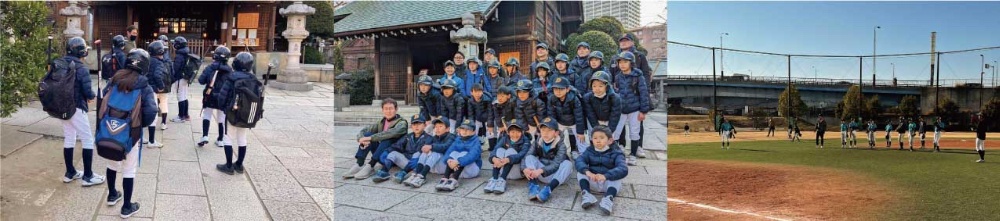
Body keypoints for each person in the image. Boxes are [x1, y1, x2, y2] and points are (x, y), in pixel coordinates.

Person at [102, 48, 158, 218]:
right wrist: (140, 125)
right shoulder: (145, 86)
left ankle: (112, 194)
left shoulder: (115, 79)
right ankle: (127, 206)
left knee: (112, 163)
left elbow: (103, 98)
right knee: (129, 169)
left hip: (109, 129)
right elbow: (150, 112)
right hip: (131, 132)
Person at [52, 37, 105, 186]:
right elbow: (87, 90)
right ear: (81, 51)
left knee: (69, 137)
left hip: (61, 106)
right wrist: (91, 96)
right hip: (76, 107)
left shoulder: (59, 64)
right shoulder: (81, 68)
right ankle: (88, 176)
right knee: (87, 139)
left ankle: (70, 172)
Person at [214, 52, 258, 175]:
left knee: (228, 138)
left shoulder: (232, 78)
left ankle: (228, 165)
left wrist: (224, 108)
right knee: (242, 138)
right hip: (247, 114)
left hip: (233, 113)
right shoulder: (254, 80)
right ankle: (239, 164)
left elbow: (223, 96)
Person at [344, 98, 408, 180]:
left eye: (391, 108)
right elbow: (364, 130)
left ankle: (371, 165)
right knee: (367, 134)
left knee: (386, 138)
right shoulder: (381, 122)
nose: (388, 111)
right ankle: (359, 163)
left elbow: (390, 133)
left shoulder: (402, 123)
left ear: (396, 109)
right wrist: (361, 138)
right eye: (386, 109)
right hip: (381, 153)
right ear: (382, 110)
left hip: (394, 156)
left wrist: (370, 138)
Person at [576, 126, 628, 216]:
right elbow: (579, 160)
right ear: (591, 140)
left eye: (602, 138)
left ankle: (608, 198)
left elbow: (623, 168)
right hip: (594, 181)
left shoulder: (616, 152)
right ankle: (587, 194)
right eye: (595, 138)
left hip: (608, 183)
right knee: (581, 171)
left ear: (610, 140)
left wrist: (606, 176)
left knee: (617, 175)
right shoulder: (589, 151)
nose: (598, 141)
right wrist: (587, 172)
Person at [523, 117, 573, 203]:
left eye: (549, 130)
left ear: (556, 133)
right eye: (543, 130)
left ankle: (548, 189)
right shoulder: (537, 142)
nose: (545, 133)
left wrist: (541, 170)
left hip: (557, 177)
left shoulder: (561, 145)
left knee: (568, 164)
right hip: (540, 174)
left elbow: (556, 164)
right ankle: (533, 185)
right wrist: (524, 168)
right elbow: (527, 155)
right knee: (529, 157)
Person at [612, 51, 651, 162]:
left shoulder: (638, 76)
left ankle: (633, 155)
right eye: (620, 62)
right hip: (621, 109)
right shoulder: (618, 76)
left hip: (634, 109)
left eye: (625, 62)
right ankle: (616, 154)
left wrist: (643, 111)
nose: (622, 64)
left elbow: (643, 93)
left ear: (631, 63)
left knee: (634, 132)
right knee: (616, 132)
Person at [373, 114, 432, 183]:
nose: (416, 126)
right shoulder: (408, 137)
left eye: (419, 124)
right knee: (392, 153)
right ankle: (384, 172)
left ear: (425, 125)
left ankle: (403, 173)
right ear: (411, 126)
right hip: (407, 161)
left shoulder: (428, 137)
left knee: (418, 155)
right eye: (414, 124)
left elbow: (424, 151)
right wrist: (387, 151)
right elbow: (397, 145)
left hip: (419, 164)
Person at [403, 118, 456, 187]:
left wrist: (431, 147)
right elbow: (426, 146)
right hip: (432, 166)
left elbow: (445, 147)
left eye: (440, 126)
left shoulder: (451, 137)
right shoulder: (434, 137)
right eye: (436, 127)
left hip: (445, 166)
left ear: (447, 129)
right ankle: (416, 174)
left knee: (435, 152)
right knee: (425, 151)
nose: (437, 129)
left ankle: (422, 176)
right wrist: (424, 148)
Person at [196, 46, 233, 147]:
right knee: (221, 117)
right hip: (223, 97)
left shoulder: (210, 67)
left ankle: (205, 136)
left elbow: (201, 81)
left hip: (210, 95)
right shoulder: (230, 70)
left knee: (207, 115)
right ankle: (221, 139)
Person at [484, 119, 531, 194]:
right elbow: (495, 149)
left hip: (517, 172)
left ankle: (502, 179)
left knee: (510, 151)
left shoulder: (526, 141)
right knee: (499, 150)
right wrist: (493, 158)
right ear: (508, 132)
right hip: (504, 169)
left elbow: (522, 154)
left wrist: (508, 159)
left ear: (522, 132)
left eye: (518, 132)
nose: (515, 135)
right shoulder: (505, 138)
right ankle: (495, 178)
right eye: (512, 132)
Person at [435, 119, 483, 191]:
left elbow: (472, 156)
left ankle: (454, 179)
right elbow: (448, 152)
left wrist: (458, 162)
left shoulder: (476, 142)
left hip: (471, 170)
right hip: (458, 169)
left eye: (468, 129)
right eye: (462, 128)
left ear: (473, 131)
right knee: (453, 153)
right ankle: (446, 177)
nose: (464, 131)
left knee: (463, 153)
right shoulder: (458, 139)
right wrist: (449, 160)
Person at [548, 77, 586, 158]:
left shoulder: (574, 99)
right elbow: (551, 115)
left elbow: (579, 116)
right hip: (560, 122)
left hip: (573, 122)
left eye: (561, 89)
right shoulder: (552, 99)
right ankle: (557, 153)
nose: (558, 91)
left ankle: (583, 155)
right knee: (554, 136)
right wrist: (554, 129)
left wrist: (580, 132)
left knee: (580, 138)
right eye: (555, 89)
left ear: (567, 89)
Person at [582, 71, 622, 146]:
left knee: (609, 139)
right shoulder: (587, 98)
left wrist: (609, 131)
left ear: (606, 86)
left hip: (609, 121)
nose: (597, 89)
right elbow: (590, 114)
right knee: (595, 137)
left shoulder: (615, 98)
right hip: (595, 121)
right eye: (594, 86)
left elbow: (615, 116)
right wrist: (597, 129)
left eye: (600, 86)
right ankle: (593, 152)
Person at [143, 41, 170, 148]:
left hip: (144, 88)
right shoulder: (159, 62)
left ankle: (140, 137)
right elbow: (157, 76)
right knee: (153, 115)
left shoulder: (146, 60)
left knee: (142, 112)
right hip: (153, 90)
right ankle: (151, 141)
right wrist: (161, 86)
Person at [170, 36, 193, 122]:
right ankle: (186, 115)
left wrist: (172, 78)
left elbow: (176, 68)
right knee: (184, 96)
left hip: (180, 78)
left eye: (175, 43)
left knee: (180, 97)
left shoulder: (179, 55)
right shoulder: (186, 52)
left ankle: (181, 116)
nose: (173, 45)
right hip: (185, 77)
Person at [466, 83, 494, 148]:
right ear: (471, 93)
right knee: (472, 129)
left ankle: (490, 146)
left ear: (482, 92)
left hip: (487, 117)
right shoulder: (470, 101)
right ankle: (473, 145)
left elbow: (490, 113)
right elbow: (470, 114)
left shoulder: (487, 99)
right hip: (477, 118)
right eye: (475, 92)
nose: (477, 94)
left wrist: (490, 124)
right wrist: (471, 125)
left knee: (490, 131)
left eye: (479, 91)